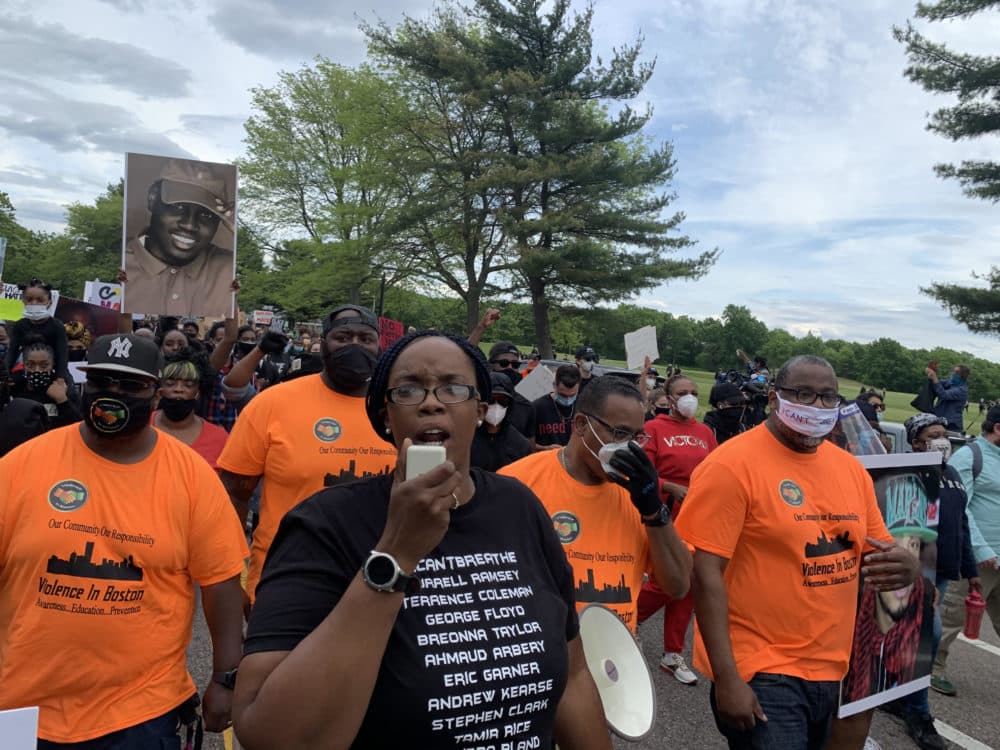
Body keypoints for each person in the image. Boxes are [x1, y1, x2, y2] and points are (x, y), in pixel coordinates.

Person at [231, 330, 612, 750]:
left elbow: (573, 675)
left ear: (479, 410)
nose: (432, 402)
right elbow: (266, 733)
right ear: (386, 417)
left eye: (453, 388)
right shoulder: (324, 524)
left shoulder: (519, 507)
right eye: (409, 390)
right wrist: (395, 553)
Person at [0, 333, 247, 747]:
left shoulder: (191, 477)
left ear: (154, 394)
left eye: (130, 386)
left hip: (140, 711)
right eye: (101, 382)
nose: (112, 394)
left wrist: (225, 678)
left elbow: (221, 582)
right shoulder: (22, 465)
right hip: (22, 705)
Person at [674, 355, 918, 750]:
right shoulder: (731, 466)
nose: (817, 406)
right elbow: (704, 574)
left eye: (827, 396)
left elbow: (878, 547)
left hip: (833, 663)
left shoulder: (850, 469)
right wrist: (728, 678)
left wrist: (906, 564)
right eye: (803, 393)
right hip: (763, 669)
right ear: (774, 398)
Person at [218, 304, 394, 605]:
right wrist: (235, 575)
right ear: (323, 344)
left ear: (379, 346)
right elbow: (233, 494)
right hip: (284, 579)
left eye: (365, 338)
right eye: (343, 337)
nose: (355, 346)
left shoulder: (399, 409)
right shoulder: (272, 403)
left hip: (376, 583)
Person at [501, 375, 692, 633]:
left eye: (637, 437)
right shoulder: (517, 484)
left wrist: (654, 510)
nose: (629, 446)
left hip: (613, 660)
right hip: (541, 652)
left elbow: (678, 585)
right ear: (581, 424)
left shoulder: (634, 493)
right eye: (620, 433)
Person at [880, 413, 980, 750]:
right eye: (934, 435)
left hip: (946, 571)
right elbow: (903, 529)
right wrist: (923, 580)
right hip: (918, 570)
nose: (943, 440)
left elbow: (961, 525)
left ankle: (896, 694)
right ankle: (919, 715)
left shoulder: (951, 475)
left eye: (944, 434)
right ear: (916, 442)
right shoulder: (907, 474)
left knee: (916, 639)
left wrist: (971, 571)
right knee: (929, 635)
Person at [637, 374, 717, 685]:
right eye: (683, 392)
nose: (689, 398)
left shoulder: (705, 433)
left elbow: (715, 471)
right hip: (663, 514)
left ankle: (672, 652)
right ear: (668, 397)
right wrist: (669, 486)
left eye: (695, 393)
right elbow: (640, 473)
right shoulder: (653, 429)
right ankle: (627, 620)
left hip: (696, 515)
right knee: (664, 581)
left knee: (689, 584)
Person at [933, 404, 1000, 696]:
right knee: (952, 616)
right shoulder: (969, 456)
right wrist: (981, 548)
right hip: (976, 560)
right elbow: (960, 507)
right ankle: (934, 668)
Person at [122, 159, 236, 318]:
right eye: (179, 207)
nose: (190, 225)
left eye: (206, 214)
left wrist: (240, 232)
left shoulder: (230, 269)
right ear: (153, 199)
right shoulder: (118, 263)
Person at [153, 357, 230, 469]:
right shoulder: (139, 428)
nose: (179, 389)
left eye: (188, 385)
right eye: (170, 383)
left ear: (197, 394)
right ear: (160, 392)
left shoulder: (220, 438)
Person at [4, 277, 68, 381]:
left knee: (69, 393)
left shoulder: (57, 326)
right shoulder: (19, 325)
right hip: (26, 371)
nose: (34, 303)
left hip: (53, 373)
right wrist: (5, 375)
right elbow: (12, 352)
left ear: (49, 302)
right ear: (23, 302)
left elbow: (62, 355)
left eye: (40, 300)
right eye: (29, 299)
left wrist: (60, 379)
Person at [7, 339, 81, 429]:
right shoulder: (14, 389)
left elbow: (77, 427)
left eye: (44, 365)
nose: (37, 370)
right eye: (30, 365)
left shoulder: (65, 389)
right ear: (24, 365)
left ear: (53, 364)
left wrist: (62, 401)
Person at [470, 372, 532, 471]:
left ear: (510, 405)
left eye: (502, 402)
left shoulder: (520, 445)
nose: (496, 406)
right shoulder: (465, 439)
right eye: (491, 400)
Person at [485, 341, 536, 441]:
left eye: (515, 364)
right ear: (491, 365)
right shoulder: (480, 394)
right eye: (504, 363)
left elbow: (530, 442)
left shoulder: (528, 400)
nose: (509, 368)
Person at [533, 363, 581, 449]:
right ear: (554, 385)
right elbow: (524, 444)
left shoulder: (584, 407)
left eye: (572, 395)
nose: (567, 399)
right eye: (563, 395)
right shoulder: (537, 407)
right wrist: (545, 448)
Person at [927, 364, 969, 432]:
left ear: (962, 376)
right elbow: (938, 383)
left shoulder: (962, 390)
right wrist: (932, 374)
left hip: (952, 426)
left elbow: (943, 395)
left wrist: (934, 378)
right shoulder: (951, 383)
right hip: (940, 421)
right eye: (953, 371)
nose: (953, 373)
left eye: (956, 372)